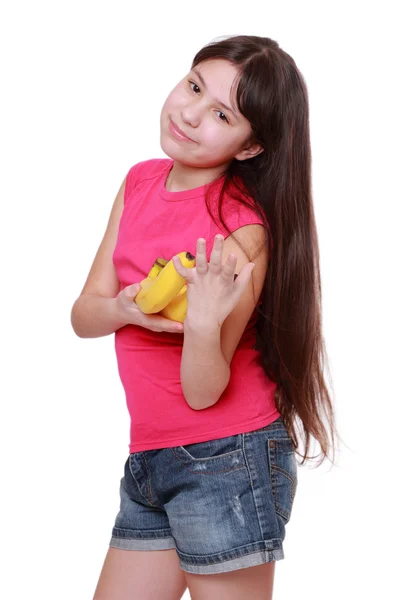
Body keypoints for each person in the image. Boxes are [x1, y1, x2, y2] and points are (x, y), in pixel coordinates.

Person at [71, 34, 340, 600]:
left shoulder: (241, 233)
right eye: (194, 86)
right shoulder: (140, 181)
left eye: (221, 113)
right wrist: (127, 308)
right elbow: (84, 314)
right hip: (150, 457)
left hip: (227, 456)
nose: (190, 114)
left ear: (249, 146)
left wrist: (200, 323)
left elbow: (202, 389)